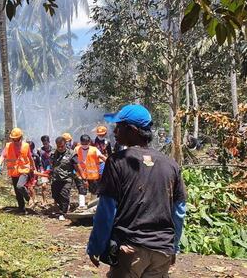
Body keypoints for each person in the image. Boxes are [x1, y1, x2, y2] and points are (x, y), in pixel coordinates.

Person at [87, 104, 187, 278]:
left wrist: (96, 246)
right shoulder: (171, 164)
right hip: (162, 251)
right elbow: (178, 211)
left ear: (132, 130)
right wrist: (173, 247)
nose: (115, 131)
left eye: (119, 127)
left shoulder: (117, 162)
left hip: (131, 249)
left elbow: (106, 210)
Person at [0, 128, 35, 214]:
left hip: (24, 170)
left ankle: (29, 199)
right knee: (17, 193)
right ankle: (22, 209)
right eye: (14, 139)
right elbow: (3, 156)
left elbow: (30, 157)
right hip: (14, 172)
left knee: (20, 186)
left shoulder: (26, 146)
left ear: (21, 137)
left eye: (17, 139)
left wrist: (33, 168)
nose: (16, 141)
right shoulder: (8, 146)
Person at [50, 136, 85, 221]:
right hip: (56, 179)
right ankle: (63, 207)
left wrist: (83, 178)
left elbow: (77, 166)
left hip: (67, 179)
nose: (60, 148)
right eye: (58, 146)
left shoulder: (72, 154)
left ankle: (63, 212)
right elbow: (52, 164)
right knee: (56, 195)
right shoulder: (53, 153)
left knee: (64, 194)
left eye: (62, 146)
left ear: (65, 144)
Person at [75, 134, 106, 203]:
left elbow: (102, 157)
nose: (85, 145)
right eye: (83, 143)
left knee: (94, 191)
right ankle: (81, 205)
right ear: (80, 142)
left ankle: (92, 204)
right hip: (81, 174)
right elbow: (73, 159)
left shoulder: (94, 149)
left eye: (86, 143)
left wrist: (111, 163)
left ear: (89, 142)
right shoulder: (77, 149)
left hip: (93, 175)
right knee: (82, 189)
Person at [38, 135, 53, 205]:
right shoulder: (40, 151)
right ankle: (44, 201)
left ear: (49, 142)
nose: (45, 145)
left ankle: (56, 201)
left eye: (46, 143)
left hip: (52, 169)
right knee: (44, 185)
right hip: (43, 169)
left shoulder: (53, 150)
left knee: (55, 186)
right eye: (44, 143)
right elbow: (39, 161)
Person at [26, 140, 41, 206]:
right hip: (25, 173)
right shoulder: (24, 155)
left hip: (33, 174)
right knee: (26, 187)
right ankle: (30, 199)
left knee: (31, 187)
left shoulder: (36, 156)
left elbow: (39, 165)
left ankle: (33, 200)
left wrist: (39, 172)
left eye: (30, 147)